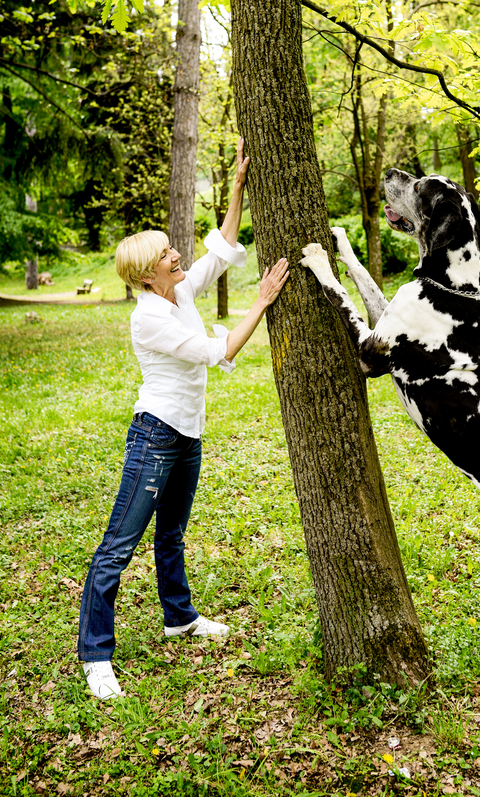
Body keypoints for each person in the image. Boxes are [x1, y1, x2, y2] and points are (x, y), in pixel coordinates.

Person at [77, 140, 289, 700]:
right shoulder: (149, 319)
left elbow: (220, 249)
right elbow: (218, 352)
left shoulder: (178, 293)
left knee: (170, 535)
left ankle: (180, 619)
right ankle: (96, 656)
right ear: (149, 275)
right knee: (118, 547)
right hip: (155, 437)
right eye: (168, 254)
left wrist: (239, 184)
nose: (178, 256)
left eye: (173, 251)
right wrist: (262, 301)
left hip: (186, 434)